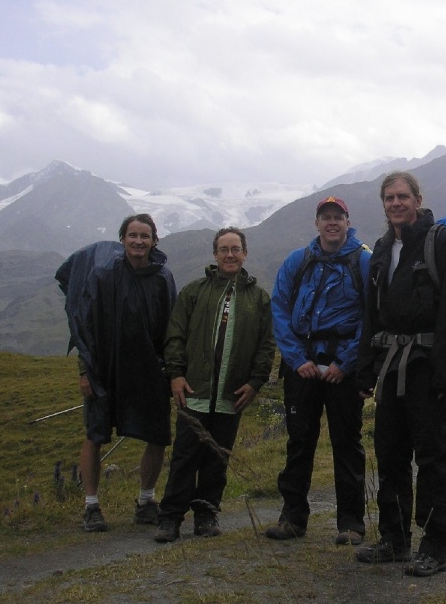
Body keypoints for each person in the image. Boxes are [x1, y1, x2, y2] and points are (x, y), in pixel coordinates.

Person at [354, 172, 446, 577]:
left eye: (403, 196)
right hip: (389, 367)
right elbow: (372, 314)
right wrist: (365, 369)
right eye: (389, 198)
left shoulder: (440, 243)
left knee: (432, 458)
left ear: (418, 199)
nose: (395, 203)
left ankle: (435, 546)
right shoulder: (384, 249)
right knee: (389, 455)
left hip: (426, 369)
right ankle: (395, 539)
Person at [56, 214, 177, 532]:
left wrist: (172, 371)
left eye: (145, 236)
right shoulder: (103, 274)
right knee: (95, 434)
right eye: (133, 235)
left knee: (157, 434)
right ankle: (92, 507)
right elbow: (84, 323)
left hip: (149, 369)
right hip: (104, 368)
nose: (139, 241)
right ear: (122, 239)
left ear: (154, 241)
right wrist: (85, 370)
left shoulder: (162, 277)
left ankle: (146, 501)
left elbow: (172, 329)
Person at [154, 227, 276, 542]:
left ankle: (206, 514)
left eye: (236, 248)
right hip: (193, 391)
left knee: (217, 456)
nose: (230, 254)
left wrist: (255, 382)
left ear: (245, 253)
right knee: (184, 456)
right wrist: (176, 374)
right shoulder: (194, 291)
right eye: (224, 249)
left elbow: (266, 345)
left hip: (232, 394)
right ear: (215, 254)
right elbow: (175, 335)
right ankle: (170, 519)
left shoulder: (259, 298)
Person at [265, 196, 370, 546]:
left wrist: (347, 362)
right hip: (303, 366)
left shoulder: (363, 261)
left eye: (337, 217)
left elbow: (373, 316)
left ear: (347, 220)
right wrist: (297, 359)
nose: (332, 223)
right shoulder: (298, 260)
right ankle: (292, 518)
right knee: (299, 441)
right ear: (317, 223)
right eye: (325, 217)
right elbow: (280, 309)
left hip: (343, 368)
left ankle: (351, 523)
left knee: (347, 443)